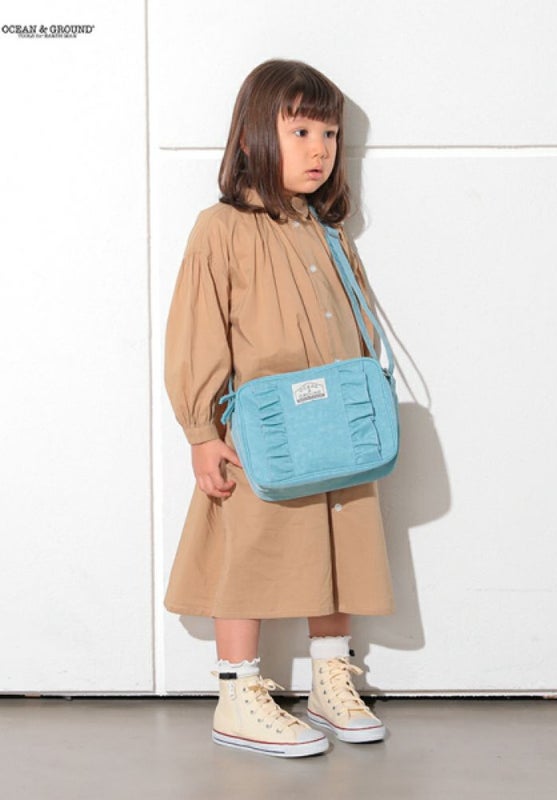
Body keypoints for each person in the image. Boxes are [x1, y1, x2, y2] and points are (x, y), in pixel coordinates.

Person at [163, 59, 395, 758]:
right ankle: (238, 692)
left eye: (330, 133)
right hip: (263, 425)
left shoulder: (328, 232)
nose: (319, 149)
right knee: (250, 546)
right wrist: (202, 430)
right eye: (300, 131)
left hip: (339, 419)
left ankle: (331, 677)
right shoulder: (223, 228)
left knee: (340, 539)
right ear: (251, 137)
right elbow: (198, 329)